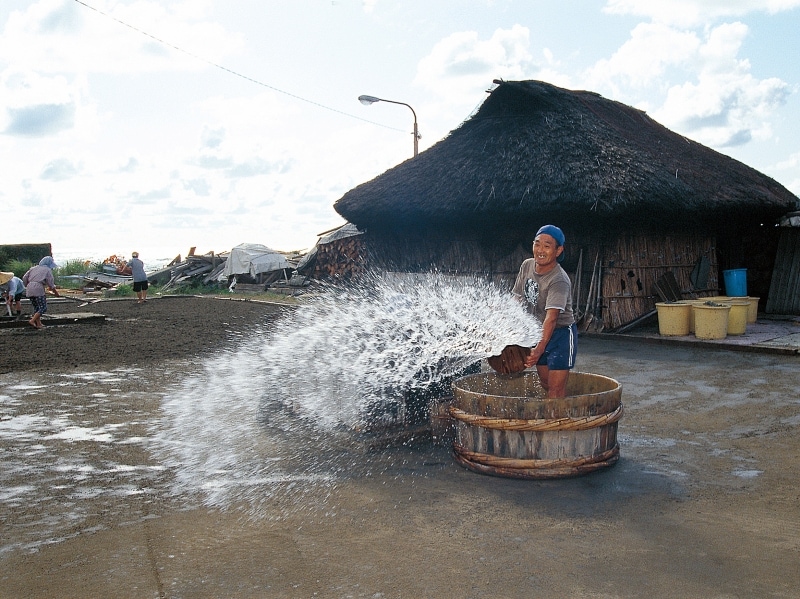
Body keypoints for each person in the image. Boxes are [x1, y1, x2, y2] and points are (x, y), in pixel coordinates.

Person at [511, 225, 576, 398]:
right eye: (537, 244)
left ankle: (557, 423)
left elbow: (552, 318)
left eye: (547, 246)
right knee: (546, 383)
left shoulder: (559, 280)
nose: (540, 250)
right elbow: (516, 299)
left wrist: (539, 349)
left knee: (556, 390)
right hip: (538, 331)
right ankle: (556, 415)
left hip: (560, 334)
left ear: (558, 250)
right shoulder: (527, 266)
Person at [22, 256, 60, 329]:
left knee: (36, 307)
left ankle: (39, 324)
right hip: (38, 288)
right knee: (43, 307)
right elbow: (51, 283)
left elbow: (24, 277)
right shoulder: (47, 270)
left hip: (29, 288)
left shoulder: (33, 268)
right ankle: (32, 320)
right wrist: (56, 293)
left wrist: (28, 285)